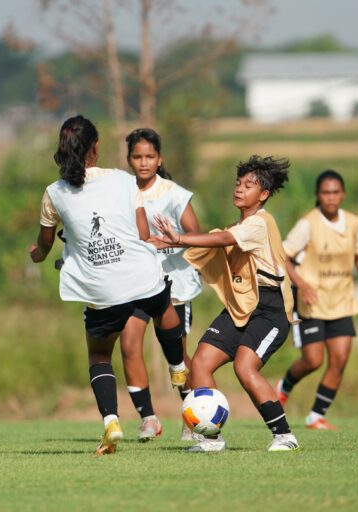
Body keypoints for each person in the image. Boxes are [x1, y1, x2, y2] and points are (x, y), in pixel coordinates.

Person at [29, 115, 188, 456]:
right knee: (163, 305)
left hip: (100, 289)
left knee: (101, 355)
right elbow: (143, 233)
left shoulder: (54, 193)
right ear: (95, 147)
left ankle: (111, 422)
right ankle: (177, 366)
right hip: (141, 277)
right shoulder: (123, 180)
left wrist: (38, 253)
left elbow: (43, 246)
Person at [153, 155, 299, 452]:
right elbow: (218, 244)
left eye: (249, 185)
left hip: (270, 312)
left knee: (245, 367)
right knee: (202, 363)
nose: (240, 188)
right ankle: (211, 438)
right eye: (238, 183)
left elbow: (222, 240)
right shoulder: (238, 224)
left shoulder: (260, 223)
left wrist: (179, 239)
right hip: (242, 307)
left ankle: (284, 436)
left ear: (264, 194)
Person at [275, 169, 358, 430]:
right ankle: (285, 385)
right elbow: (284, 256)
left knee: (339, 359)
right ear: (318, 195)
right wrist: (301, 284)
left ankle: (316, 416)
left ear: (343, 194)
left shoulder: (354, 223)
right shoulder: (308, 224)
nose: (331, 197)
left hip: (341, 302)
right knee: (313, 361)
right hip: (311, 304)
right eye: (326, 192)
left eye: (336, 192)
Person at [117, 128, 203, 442]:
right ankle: (148, 419)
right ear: (128, 159)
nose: (143, 162)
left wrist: (164, 244)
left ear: (159, 159)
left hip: (175, 287)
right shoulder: (122, 191)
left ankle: (194, 417)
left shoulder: (174, 194)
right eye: (137, 157)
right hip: (137, 285)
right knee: (128, 344)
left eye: (149, 156)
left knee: (176, 357)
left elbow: (197, 238)